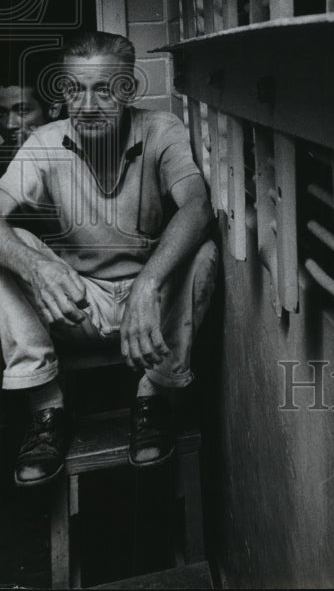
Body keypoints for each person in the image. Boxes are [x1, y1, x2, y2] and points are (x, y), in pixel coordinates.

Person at [0, 31, 217, 487]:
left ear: (128, 90)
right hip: (79, 306)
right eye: (74, 89)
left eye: (103, 89)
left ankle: (152, 397)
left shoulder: (160, 129)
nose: (87, 104)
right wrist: (36, 266)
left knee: (205, 254)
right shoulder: (45, 140)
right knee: (10, 246)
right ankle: (45, 410)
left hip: (151, 313)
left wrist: (148, 283)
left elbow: (197, 207)